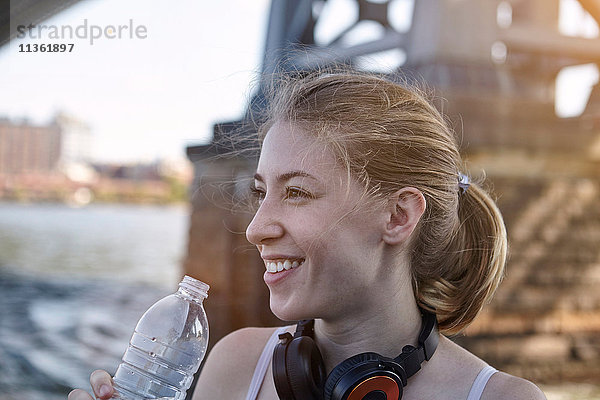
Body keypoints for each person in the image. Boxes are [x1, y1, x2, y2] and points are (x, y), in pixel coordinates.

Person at [68, 69, 546, 400]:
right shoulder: (235, 366)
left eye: (296, 193)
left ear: (399, 215)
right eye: (261, 193)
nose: (256, 229)